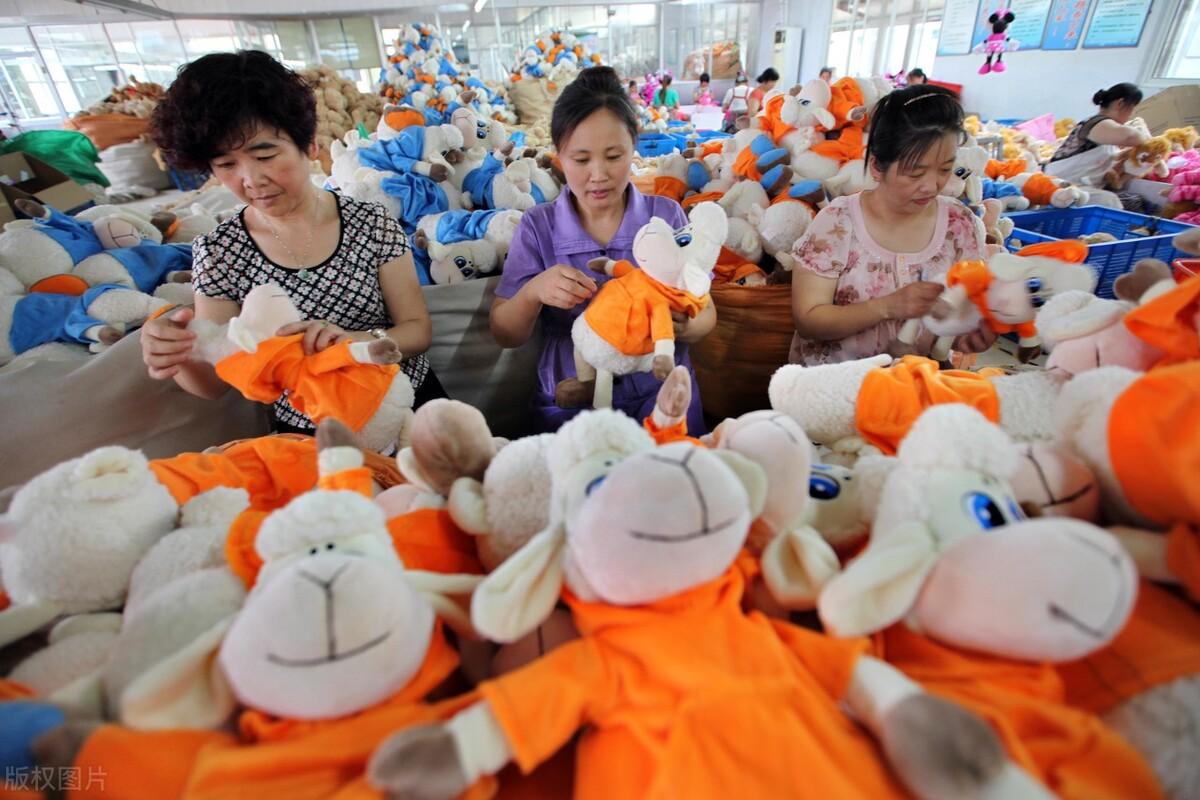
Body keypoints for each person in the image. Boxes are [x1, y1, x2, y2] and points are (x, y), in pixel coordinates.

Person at [141, 50, 442, 439]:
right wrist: (179, 353)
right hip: (312, 430)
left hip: (405, 405)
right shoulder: (219, 252)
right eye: (227, 165)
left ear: (310, 145)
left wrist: (354, 343)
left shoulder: (370, 222)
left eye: (265, 155)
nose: (251, 180)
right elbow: (216, 383)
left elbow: (417, 330)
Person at [491, 66, 714, 434]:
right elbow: (505, 333)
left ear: (633, 148)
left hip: (661, 391)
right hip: (572, 392)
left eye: (613, 156)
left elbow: (708, 312)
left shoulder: (665, 216)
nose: (598, 174)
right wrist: (533, 292)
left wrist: (684, 324)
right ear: (558, 156)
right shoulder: (538, 226)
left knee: (671, 465)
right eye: (581, 160)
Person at [789, 84, 995, 366]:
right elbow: (809, 320)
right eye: (915, 173)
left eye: (945, 169)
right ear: (877, 166)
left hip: (919, 380)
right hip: (838, 383)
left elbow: (959, 312)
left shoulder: (959, 224)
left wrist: (968, 334)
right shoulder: (838, 223)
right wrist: (888, 306)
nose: (931, 185)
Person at [1046, 83, 1148, 186]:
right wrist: (1150, 141)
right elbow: (1130, 136)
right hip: (1058, 182)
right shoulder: (1097, 123)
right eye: (1132, 108)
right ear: (1120, 104)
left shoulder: (1108, 129)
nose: (1131, 114)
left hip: (1076, 184)